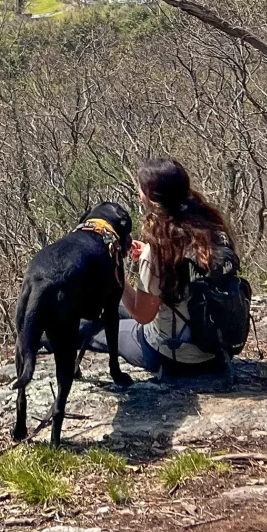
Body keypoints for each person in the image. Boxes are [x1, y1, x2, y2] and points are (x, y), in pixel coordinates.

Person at [86, 156, 242, 375]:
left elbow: (142, 315)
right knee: (107, 310)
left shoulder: (159, 250)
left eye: (141, 190)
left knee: (94, 328)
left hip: (172, 354)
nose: (139, 195)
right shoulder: (212, 231)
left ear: (151, 198)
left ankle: (48, 335)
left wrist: (116, 275)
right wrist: (147, 260)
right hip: (216, 345)